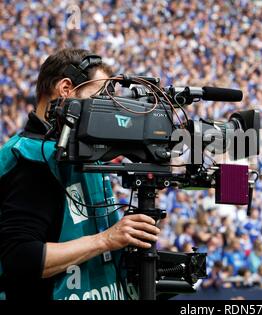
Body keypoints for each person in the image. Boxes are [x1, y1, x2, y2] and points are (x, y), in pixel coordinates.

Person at [0, 49, 161, 300]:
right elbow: (21, 259)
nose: (108, 113)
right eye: (98, 100)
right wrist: (107, 239)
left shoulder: (84, 153)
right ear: (66, 89)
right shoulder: (31, 158)